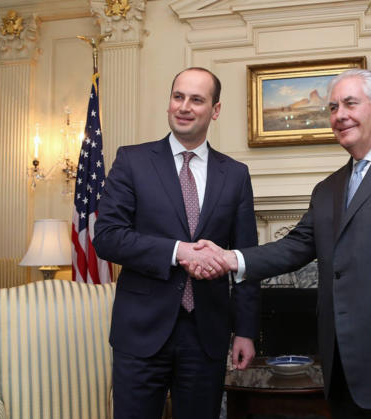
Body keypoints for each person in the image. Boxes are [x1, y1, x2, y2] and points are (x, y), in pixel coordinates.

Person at [187, 69, 371, 418]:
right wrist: (230, 258)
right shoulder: (328, 189)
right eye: (333, 107)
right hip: (343, 375)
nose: (339, 115)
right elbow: (294, 247)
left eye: (350, 104)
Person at [93, 67, 260, 419]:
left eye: (196, 99)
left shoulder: (235, 175)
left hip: (206, 333)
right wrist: (177, 251)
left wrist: (245, 331)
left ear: (215, 110)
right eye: (178, 97)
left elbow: (246, 258)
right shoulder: (132, 161)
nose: (184, 107)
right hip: (141, 332)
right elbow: (107, 237)